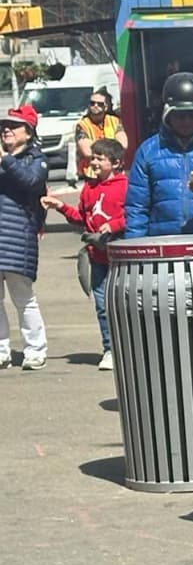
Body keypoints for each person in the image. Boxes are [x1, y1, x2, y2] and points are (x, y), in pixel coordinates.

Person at [41, 138, 127, 371]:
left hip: (121, 258)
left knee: (125, 305)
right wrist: (60, 207)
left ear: (116, 163)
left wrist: (115, 225)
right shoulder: (89, 188)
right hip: (96, 257)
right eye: (94, 157)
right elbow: (81, 219)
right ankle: (109, 349)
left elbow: (135, 213)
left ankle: (129, 348)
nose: (95, 162)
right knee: (102, 306)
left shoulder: (125, 185)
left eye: (101, 158)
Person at [124, 73, 193, 238]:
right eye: (179, 115)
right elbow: (137, 207)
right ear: (167, 113)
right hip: (163, 247)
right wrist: (135, 246)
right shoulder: (148, 151)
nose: (186, 121)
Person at [0, 105, 49, 371]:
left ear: (29, 133)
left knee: (23, 297)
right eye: (3, 126)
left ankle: (35, 349)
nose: (6, 129)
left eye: (13, 126)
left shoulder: (36, 159)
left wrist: (5, 160)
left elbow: (30, 183)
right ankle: (2, 350)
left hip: (18, 237)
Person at [74, 89, 129, 187]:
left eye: (99, 104)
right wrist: (111, 149)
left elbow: (123, 145)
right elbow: (87, 152)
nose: (95, 106)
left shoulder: (115, 121)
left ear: (106, 106)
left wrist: (97, 146)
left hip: (115, 174)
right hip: (93, 175)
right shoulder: (82, 125)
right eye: (92, 103)